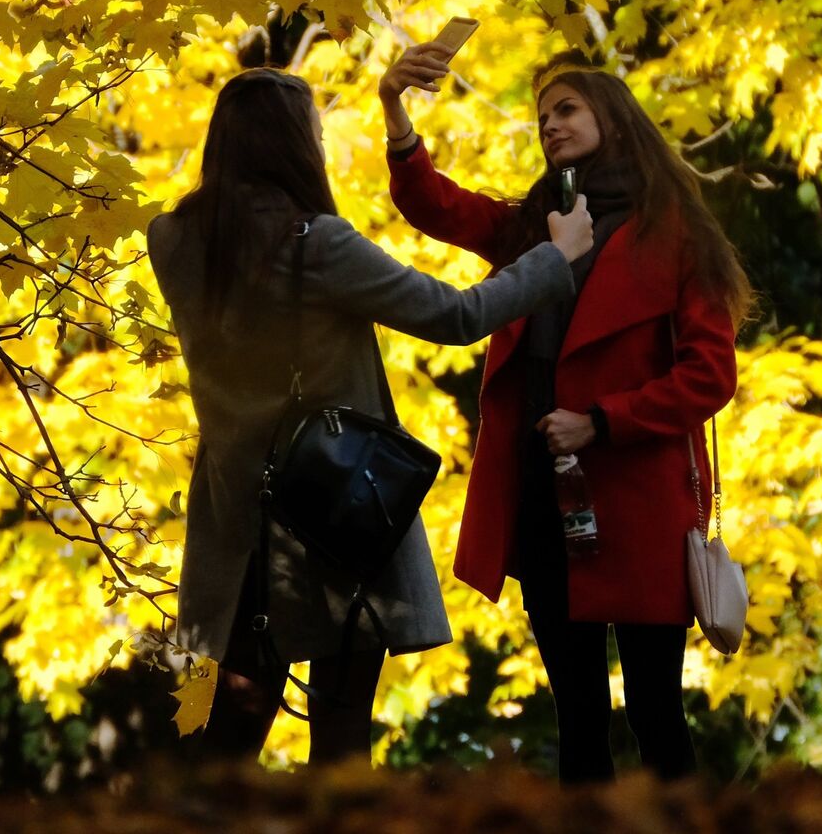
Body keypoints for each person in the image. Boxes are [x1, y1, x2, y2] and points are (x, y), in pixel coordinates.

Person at [148, 65, 594, 764]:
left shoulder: (171, 240)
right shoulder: (316, 243)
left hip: (234, 514)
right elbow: (457, 314)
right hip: (333, 510)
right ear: (293, 145)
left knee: (226, 737)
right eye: (315, 135)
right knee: (342, 729)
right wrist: (555, 257)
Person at [380, 47, 750, 782]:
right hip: (546, 499)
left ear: (611, 115)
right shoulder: (535, 226)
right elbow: (436, 204)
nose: (550, 125)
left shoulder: (675, 231)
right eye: (543, 115)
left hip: (640, 502)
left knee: (655, 712)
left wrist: (602, 421)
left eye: (567, 109)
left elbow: (710, 374)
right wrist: (394, 106)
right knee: (577, 716)